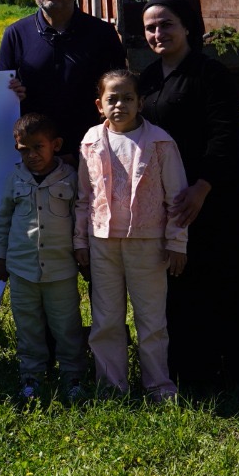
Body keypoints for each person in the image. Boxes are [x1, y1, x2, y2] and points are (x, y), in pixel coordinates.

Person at [136, 0, 239, 390]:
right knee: (179, 280)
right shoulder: (148, 77)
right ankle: (190, 366)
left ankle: (234, 370)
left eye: (166, 24)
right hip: (169, 197)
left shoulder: (210, 72)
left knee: (221, 278)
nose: (158, 33)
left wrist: (202, 187)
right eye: (150, 27)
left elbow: (223, 133)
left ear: (187, 26)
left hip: (213, 193)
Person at [73, 70, 187, 400]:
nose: (119, 104)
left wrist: (177, 241)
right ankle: (111, 387)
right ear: (99, 104)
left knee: (151, 318)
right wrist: (80, 240)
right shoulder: (90, 141)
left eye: (127, 98)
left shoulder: (161, 143)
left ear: (140, 102)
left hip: (148, 244)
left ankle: (159, 386)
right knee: (106, 318)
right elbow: (84, 196)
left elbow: (176, 197)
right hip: (103, 243)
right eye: (112, 99)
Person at [0, 113, 87, 402]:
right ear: (16, 148)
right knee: (28, 327)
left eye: (38, 147)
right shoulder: (15, 178)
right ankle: (30, 378)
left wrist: (83, 255)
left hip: (61, 271)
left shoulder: (71, 177)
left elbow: (80, 219)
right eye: (24, 149)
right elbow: (3, 220)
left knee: (67, 327)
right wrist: (1, 258)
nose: (32, 155)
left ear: (56, 144)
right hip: (22, 271)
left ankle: (73, 378)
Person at [0, 0, 126, 154]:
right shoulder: (15, 35)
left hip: (93, 153)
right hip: (37, 160)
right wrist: (11, 95)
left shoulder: (102, 34)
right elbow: (3, 99)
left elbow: (121, 93)